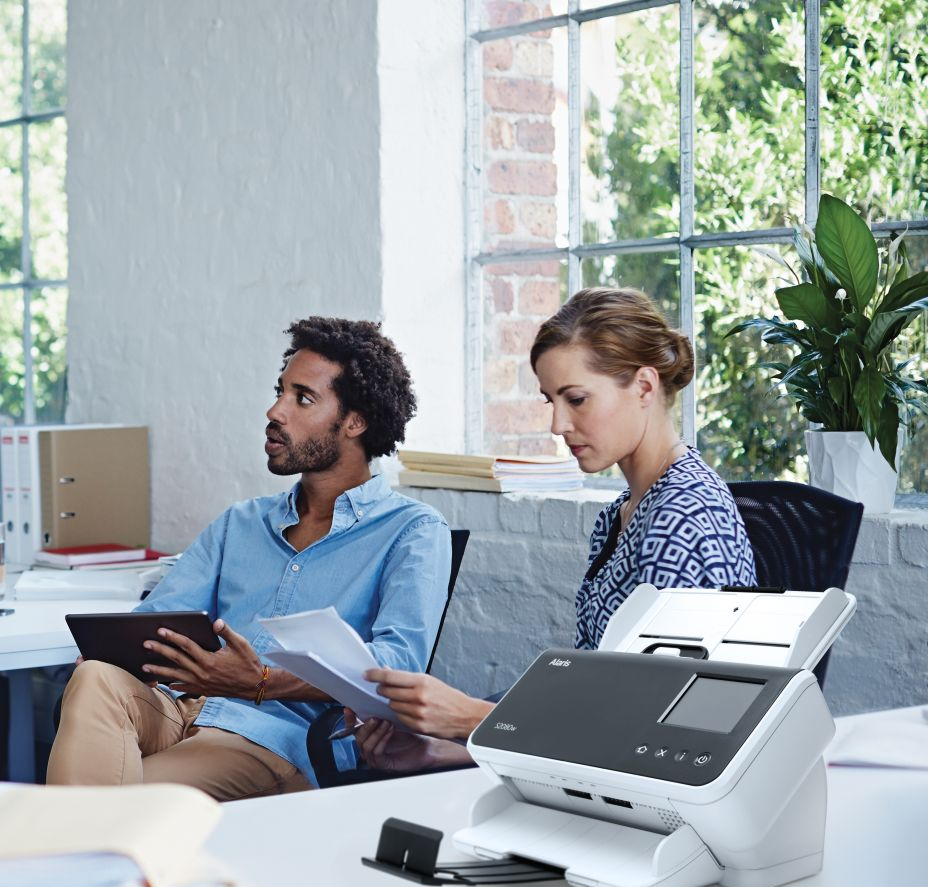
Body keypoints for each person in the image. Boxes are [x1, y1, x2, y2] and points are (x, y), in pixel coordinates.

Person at [352, 287, 757, 772]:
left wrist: (468, 720)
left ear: (645, 388)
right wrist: (449, 748)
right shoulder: (623, 511)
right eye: (550, 400)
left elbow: (654, 735)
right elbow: (595, 704)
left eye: (577, 399)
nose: (558, 424)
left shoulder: (683, 522)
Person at [46, 316, 451, 800]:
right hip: (178, 708)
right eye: (280, 391)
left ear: (355, 422)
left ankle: (69, 854)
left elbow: (397, 669)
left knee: (121, 803)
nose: (274, 411)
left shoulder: (412, 532)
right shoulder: (241, 523)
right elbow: (156, 621)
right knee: (96, 677)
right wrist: (118, 650)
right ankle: (85, 858)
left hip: (270, 739)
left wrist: (261, 681)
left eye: (302, 398)